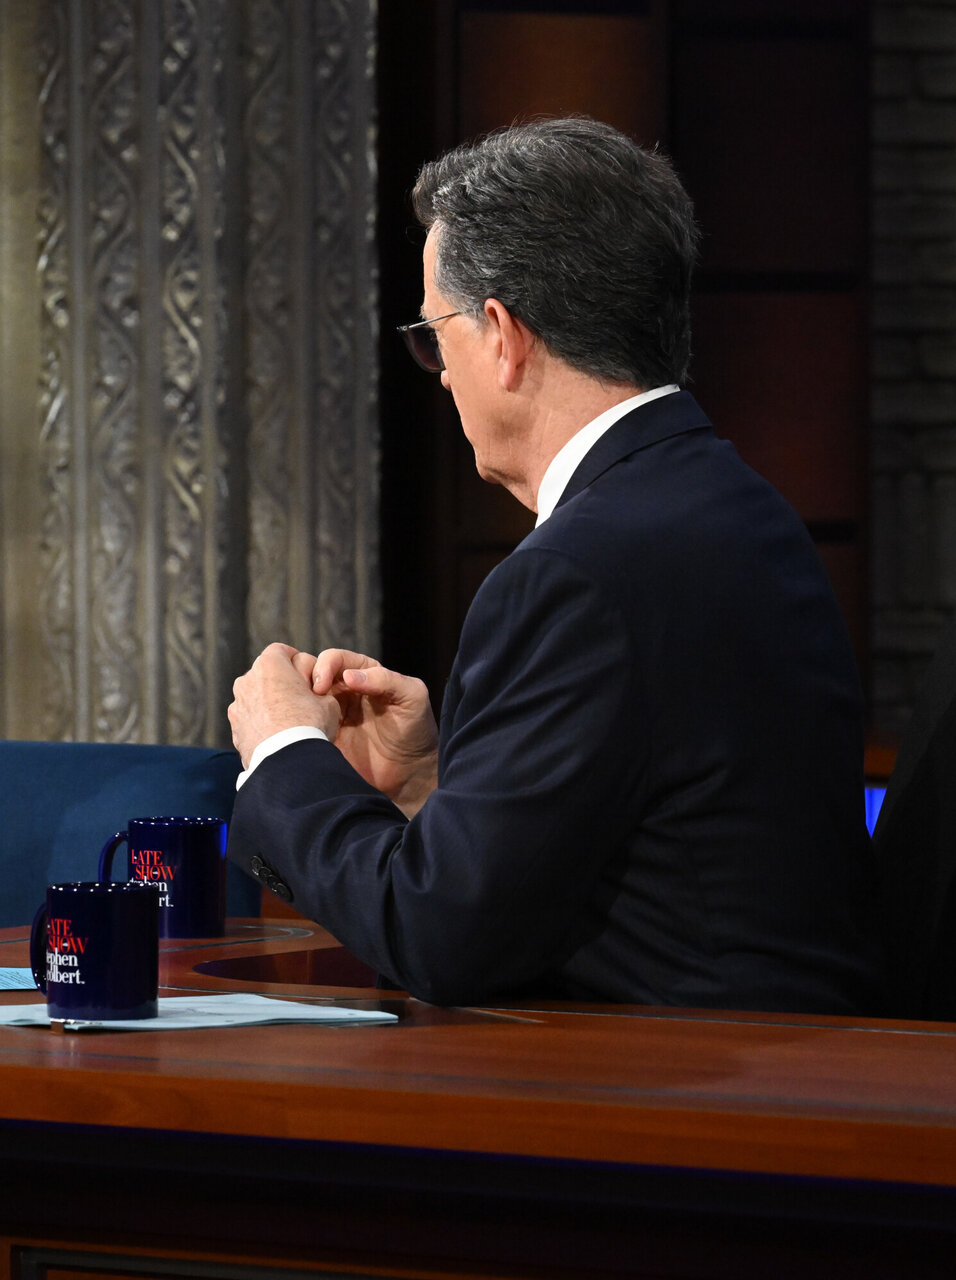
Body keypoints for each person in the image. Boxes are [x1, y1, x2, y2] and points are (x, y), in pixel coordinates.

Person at [225, 118, 881, 1014]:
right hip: (775, 1056)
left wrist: (286, 751)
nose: (440, 374)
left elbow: (438, 939)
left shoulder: (577, 574)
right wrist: (430, 790)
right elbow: (645, 840)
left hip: (672, 1080)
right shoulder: (735, 506)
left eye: (435, 335)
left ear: (502, 335)